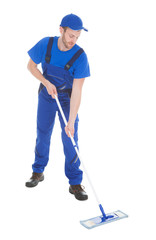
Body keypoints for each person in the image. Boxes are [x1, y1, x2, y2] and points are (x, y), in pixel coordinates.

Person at [25, 14, 90, 201]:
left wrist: (71, 121)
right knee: (43, 132)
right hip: (47, 95)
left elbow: (78, 90)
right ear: (61, 30)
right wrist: (46, 82)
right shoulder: (46, 44)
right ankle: (38, 171)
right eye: (71, 36)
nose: (73, 41)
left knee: (70, 137)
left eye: (77, 37)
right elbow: (31, 66)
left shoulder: (80, 56)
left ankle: (75, 182)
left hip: (67, 99)